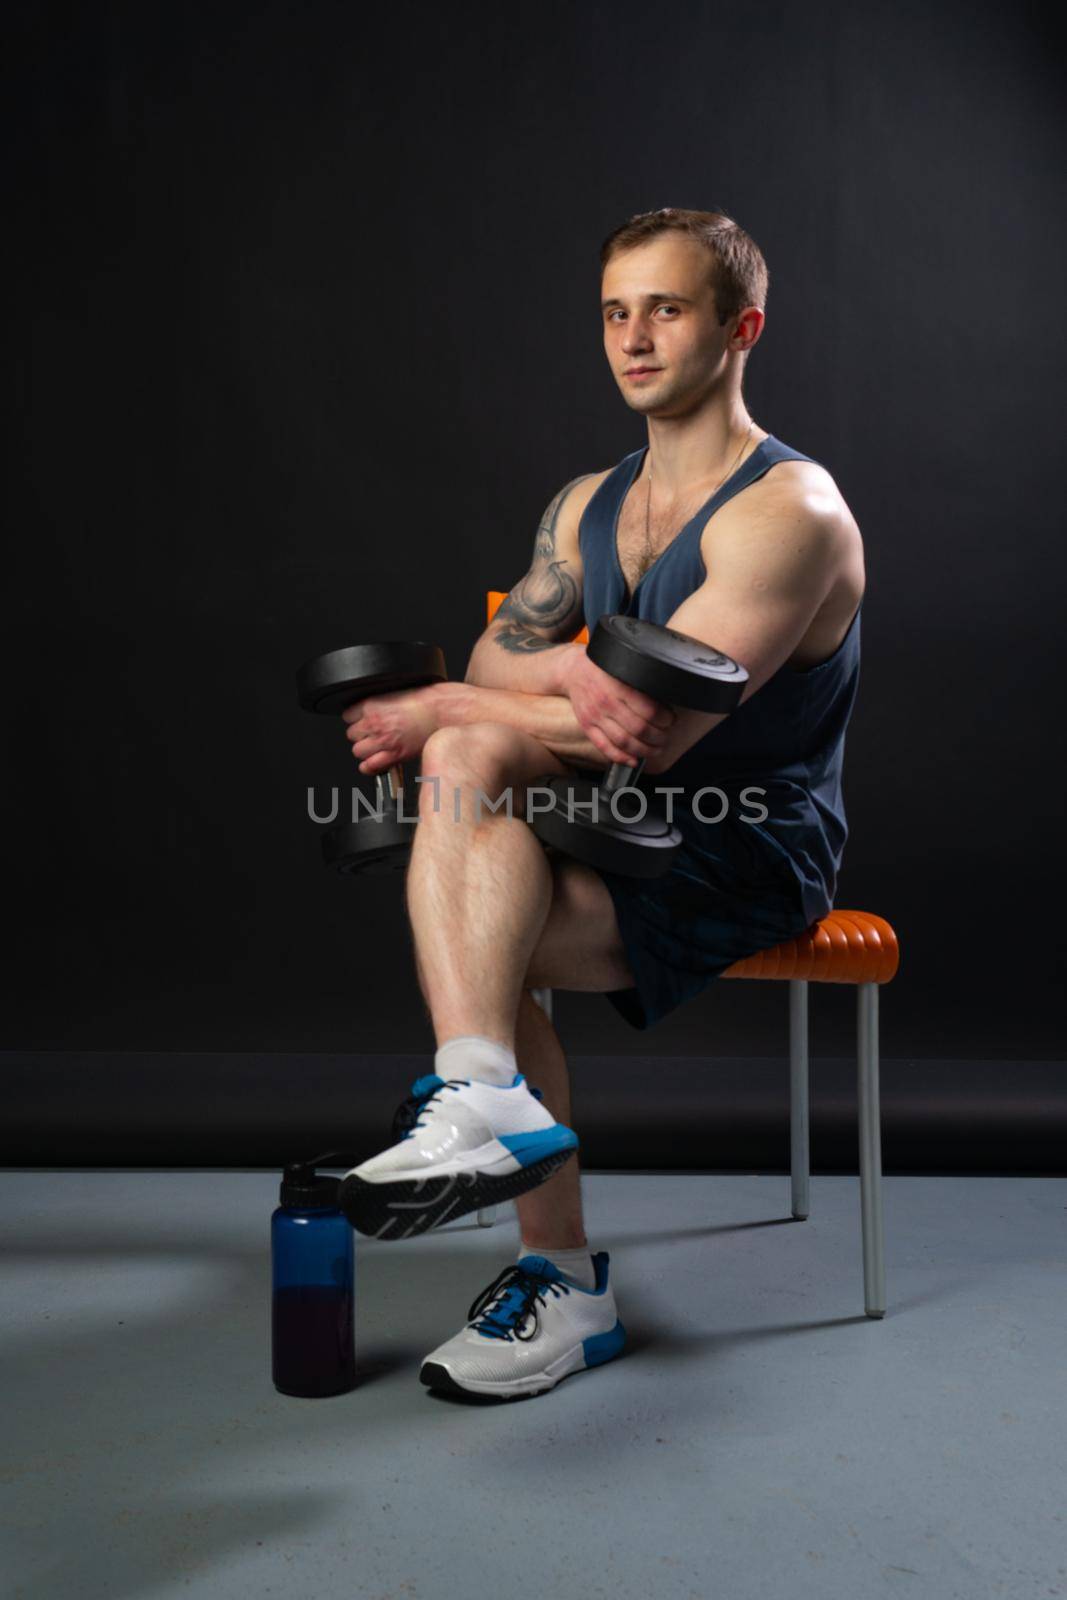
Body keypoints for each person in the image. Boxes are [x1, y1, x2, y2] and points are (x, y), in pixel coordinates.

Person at [336, 206, 865, 1401]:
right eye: (615, 311)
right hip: (605, 821)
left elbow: (654, 732)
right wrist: (565, 666)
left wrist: (445, 709)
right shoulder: (584, 502)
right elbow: (496, 666)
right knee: (470, 794)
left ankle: (537, 1225)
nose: (632, 337)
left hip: (751, 846)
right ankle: (492, 1118)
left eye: (665, 309)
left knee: (467, 813)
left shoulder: (791, 514)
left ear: (742, 328)